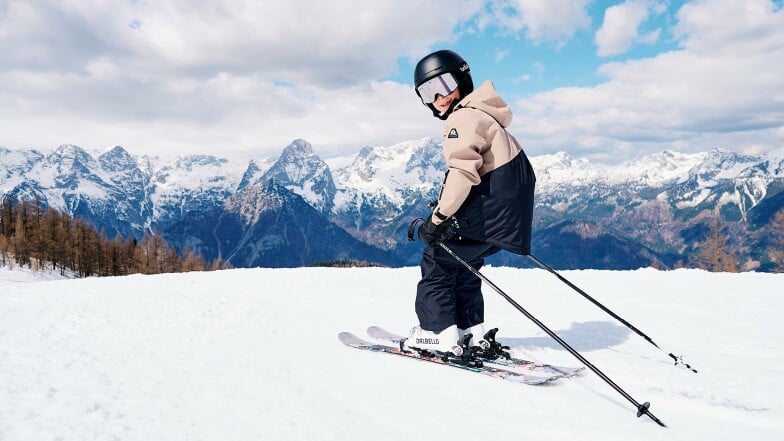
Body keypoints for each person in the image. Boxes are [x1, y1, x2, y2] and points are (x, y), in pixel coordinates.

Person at [404, 49, 536, 357]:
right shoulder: (486, 118)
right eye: (428, 91)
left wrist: (437, 220)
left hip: (488, 212)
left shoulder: (462, 119)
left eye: (444, 85)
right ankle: (470, 331)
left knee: (437, 257)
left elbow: (462, 173)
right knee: (463, 262)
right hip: (505, 217)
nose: (438, 97)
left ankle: (436, 333)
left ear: (462, 80)